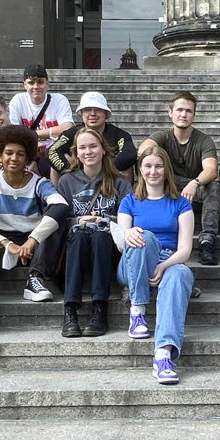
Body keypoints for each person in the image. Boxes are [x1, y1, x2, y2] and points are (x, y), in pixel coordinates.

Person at [0, 126, 69, 341]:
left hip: (34, 247)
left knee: (56, 221)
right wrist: (9, 244)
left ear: (28, 158)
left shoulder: (39, 183)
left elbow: (61, 206)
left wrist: (32, 241)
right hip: (1, 244)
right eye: (9, 153)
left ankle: (35, 279)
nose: (14, 158)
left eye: (20, 154)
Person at [117, 144, 195, 385]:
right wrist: (128, 233)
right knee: (145, 236)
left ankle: (163, 355)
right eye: (148, 166)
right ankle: (137, 310)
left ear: (166, 169)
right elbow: (122, 239)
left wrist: (163, 267)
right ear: (140, 169)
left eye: (158, 166)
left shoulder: (181, 203)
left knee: (180, 274)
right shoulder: (130, 201)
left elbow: (185, 250)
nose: (153, 171)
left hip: (169, 261)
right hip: (133, 262)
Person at [56, 128, 132, 337]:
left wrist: (104, 220)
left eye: (93, 146)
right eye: (82, 147)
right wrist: (77, 220)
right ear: (76, 153)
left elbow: (130, 216)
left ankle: (100, 308)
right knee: (80, 234)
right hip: (76, 243)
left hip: (107, 245)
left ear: (103, 150)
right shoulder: (66, 182)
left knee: (100, 235)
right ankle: (70, 309)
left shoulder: (120, 183)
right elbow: (57, 217)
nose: (88, 151)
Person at [138, 91, 220, 265]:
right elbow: (144, 150)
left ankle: (206, 241)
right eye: (180, 110)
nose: (183, 114)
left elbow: (211, 169)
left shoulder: (203, 140)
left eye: (188, 111)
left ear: (194, 115)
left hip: (193, 192)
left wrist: (195, 182)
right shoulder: (163, 136)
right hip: (168, 187)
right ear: (170, 113)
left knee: (213, 186)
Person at [47, 91, 137, 183]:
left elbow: (130, 154)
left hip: (108, 179)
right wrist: (72, 172)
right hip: (77, 178)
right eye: (87, 109)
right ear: (81, 114)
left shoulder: (119, 134)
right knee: (55, 166)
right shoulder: (71, 133)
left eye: (98, 109)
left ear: (105, 114)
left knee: (127, 168)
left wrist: (103, 169)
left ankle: (124, 196)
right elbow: (52, 151)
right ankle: (58, 196)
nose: (93, 113)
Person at [8, 64, 74, 176]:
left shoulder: (59, 100)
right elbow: (13, 132)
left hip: (56, 147)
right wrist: (34, 142)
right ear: (24, 85)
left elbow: (67, 128)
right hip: (28, 147)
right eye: (31, 83)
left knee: (57, 159)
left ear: (47, 84)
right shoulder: (18, 101)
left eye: (40, 82)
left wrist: (33, 135)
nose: (36, 86)